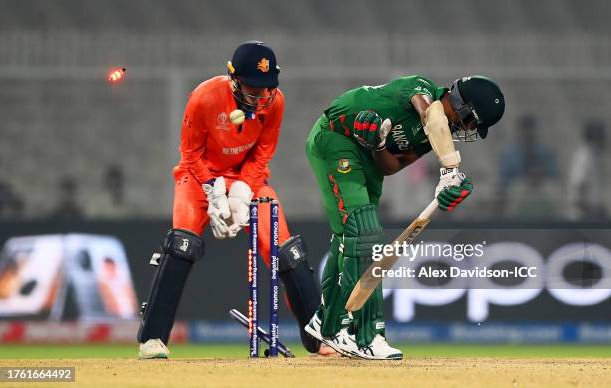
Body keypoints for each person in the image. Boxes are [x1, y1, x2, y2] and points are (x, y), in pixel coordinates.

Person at [137, 41, 325, 358]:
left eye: (266, 88)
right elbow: (190, 154)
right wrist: (214, 191)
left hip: (245, 177)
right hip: (197, 175)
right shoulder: (205, 97)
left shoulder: (274, 101)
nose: (260, 96)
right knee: (183, 244)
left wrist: (241, 193)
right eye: (253, 88)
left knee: (288, 250)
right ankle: (153, 338)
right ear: (233, 78)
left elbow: (263, 153)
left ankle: (320, 337)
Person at [304, 75, 505, 359]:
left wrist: (379, 145)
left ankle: (328, 322)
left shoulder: (431, 137)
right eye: (472, 121)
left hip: (367, 157)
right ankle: (363, 335)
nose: (469, 129)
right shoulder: (420, 90)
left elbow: (392, 166)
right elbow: (430, 114)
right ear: (462, 106)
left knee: (352, 236)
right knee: (365, 234)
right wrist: (450, 169)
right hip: (337, 137)